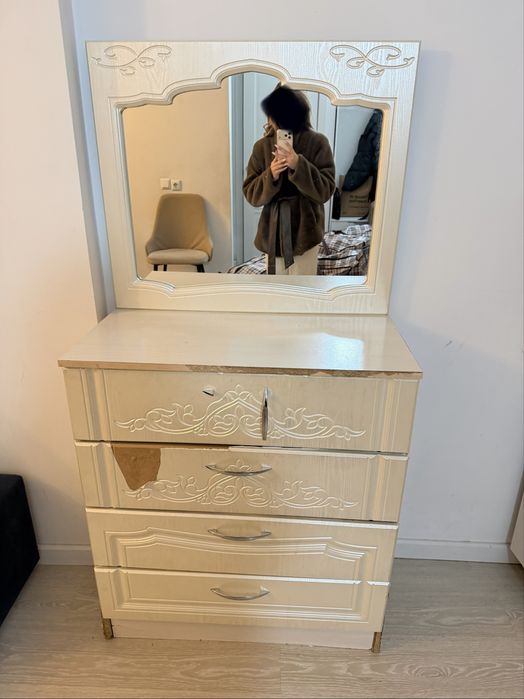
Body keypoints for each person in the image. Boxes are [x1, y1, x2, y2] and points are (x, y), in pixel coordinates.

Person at [242, 85, 336, 275]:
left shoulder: (318, 143)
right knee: (275, 289)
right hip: (273, 231)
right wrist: (271, 174)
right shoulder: (261, 147)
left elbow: (325, 191)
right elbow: (251, 194)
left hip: (306, 232)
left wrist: (298, 164)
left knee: (303, 287)